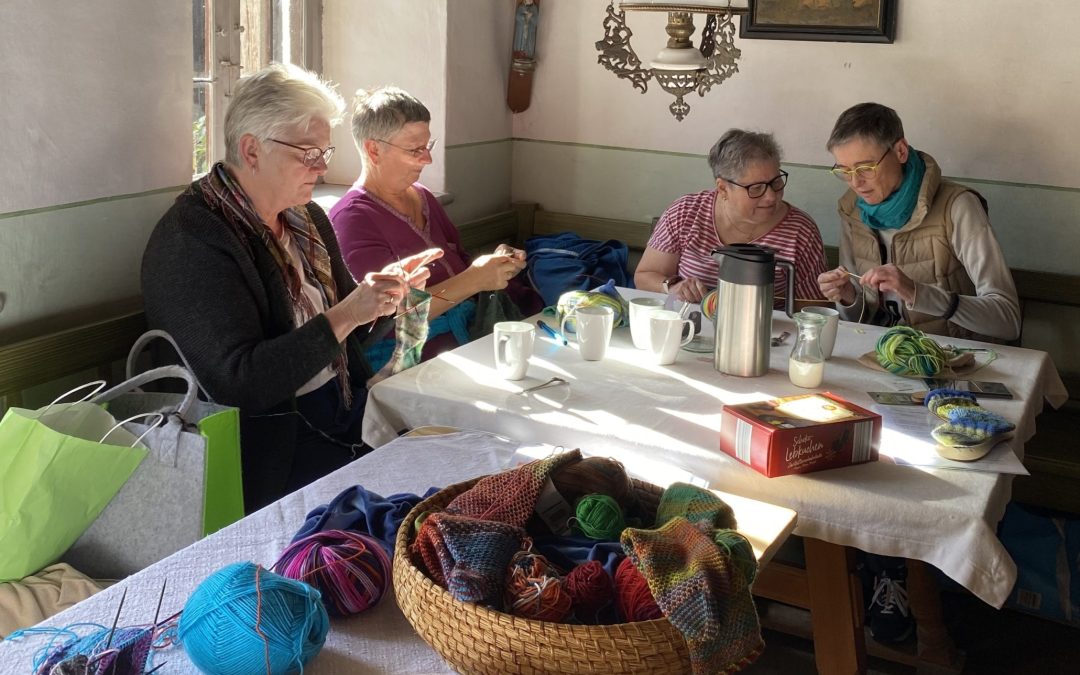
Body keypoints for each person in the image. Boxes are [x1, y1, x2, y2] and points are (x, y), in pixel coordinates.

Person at [141, 64, 436, 513]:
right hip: (266, 450)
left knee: (447, 462)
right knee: (416, 504)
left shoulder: (306, 220)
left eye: (324, 151)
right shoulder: (194, 238)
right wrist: (350, 312)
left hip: (339, 412)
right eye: (307, 153)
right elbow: (239, 384)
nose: (322, 167)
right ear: (252, 150)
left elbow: (346, 336)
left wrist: (385, 297)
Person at [329, 86, 540, 370]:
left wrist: (494, 266)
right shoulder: (352, 219)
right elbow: (387, 320)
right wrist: (475, 279)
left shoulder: (422, 195)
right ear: (373, 149)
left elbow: (457, 263)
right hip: (412, 360)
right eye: (414, 150)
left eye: (427, 146)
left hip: (470, 337)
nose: (427, 159)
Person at [816, 102, 1020, 343]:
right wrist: (848, 297)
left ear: (900, 151)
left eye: (866, 167)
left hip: (956, 360)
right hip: (883, 355)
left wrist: (917, 293)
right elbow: (860, 324)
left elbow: (1008, 321)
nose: (855, 182)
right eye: (844, 171)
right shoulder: (852, 210)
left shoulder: (957, 206)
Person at [635, 129, 828, 306]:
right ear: (723, 188)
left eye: (776, 182)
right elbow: (645, 276)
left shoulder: (801, 231)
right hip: (691, 329)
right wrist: (674, 287)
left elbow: (815, 307)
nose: (771, 196)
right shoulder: (686, 213)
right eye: (756, 188)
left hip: (765, 335)